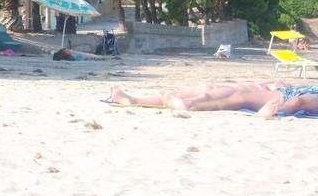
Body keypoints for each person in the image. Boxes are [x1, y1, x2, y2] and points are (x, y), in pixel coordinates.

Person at [107, 82, 318, 118]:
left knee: (236, 96)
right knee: (211, 88)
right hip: (281, 91)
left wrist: (272, 112)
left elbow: (299, 103)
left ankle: (188, 104)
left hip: (279, 98)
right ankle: (132, 99)